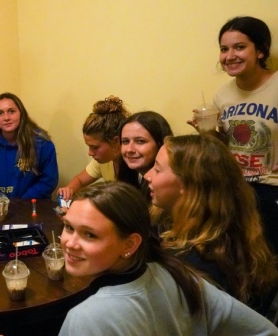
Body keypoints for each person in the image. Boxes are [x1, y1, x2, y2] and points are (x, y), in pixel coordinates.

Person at [58, 182, 278, 335]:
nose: (70, 242)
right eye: (68, 227)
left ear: (130, 244)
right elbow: (263, 330)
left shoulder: (86, 319)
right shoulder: (177, 274)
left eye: (90, 234)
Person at [144, 134, 278, 315]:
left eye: (157, 170)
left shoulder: (196, 265)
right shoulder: (235, 233)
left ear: (189, 185)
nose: (147, 176)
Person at [199, 16, 278, 252]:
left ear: (261, 51)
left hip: (271, 188)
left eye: (240, 47)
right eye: (224, 49)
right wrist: (209, 134)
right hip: (235, 187)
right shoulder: (222, 95)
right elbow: (227, 145)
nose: (229, 56)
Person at [0, 92, 58, 199]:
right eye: (0, 113)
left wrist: (22, 202)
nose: (6, 118)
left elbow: (49, 181)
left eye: (11, 111)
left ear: (21, 113)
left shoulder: (42, 143)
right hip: (1, 206)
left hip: (34, 206)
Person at [57, 95, 129, 201]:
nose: (90, 153)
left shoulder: (134, 164)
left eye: (94, 147)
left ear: (115, 141)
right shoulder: (104, 161)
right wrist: (67, 191)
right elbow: (80, 180)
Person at [117, 111, 173, 201]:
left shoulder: (168, 189)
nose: (129, 149)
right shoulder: (131, 180)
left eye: (140, 141)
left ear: (160, 143)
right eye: (125, 141)